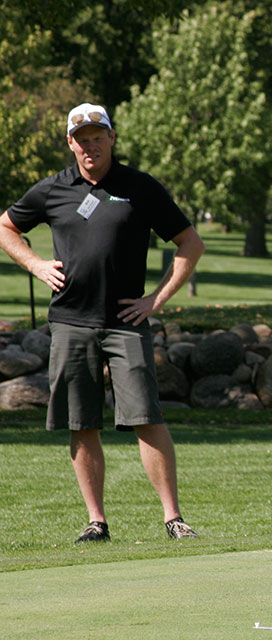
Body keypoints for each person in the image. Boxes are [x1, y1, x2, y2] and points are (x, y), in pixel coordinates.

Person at [0, 103, 205, 544]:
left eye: (98, 136)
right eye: (82, 138)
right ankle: (97, 522)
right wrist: (35, 265)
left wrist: (156, 299)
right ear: (70, 142)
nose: (90, 145)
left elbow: (190, 242)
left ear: (111, 138)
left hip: (126, 322)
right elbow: (5, 227)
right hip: (71, 322)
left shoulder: (140, 187)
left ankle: (173, 518)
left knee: (146, 417)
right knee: (81, 421)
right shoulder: (54, 189)